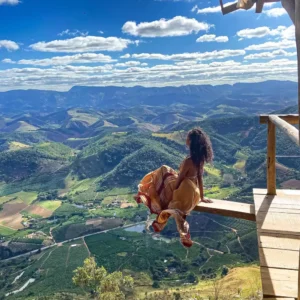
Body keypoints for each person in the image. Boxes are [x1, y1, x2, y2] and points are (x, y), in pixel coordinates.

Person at [134, 128, 213, 248]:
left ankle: (144, 192)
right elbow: (200, 179)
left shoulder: (188, 161)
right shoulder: (199, 160)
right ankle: (180, 230)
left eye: (188, 138)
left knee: (163, 170)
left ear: (191, 142)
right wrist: (201, 197)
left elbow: (180, 179)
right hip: (193, 192)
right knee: (166, 173)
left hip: (183, 190)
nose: (186, 139)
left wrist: (171, 193)